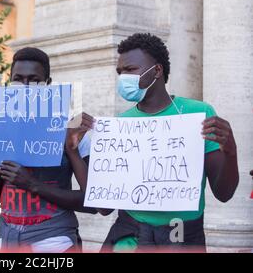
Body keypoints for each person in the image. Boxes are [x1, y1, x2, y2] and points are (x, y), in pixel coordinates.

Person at [87, 33, 239, 252]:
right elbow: (103, 208)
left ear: (157, 70)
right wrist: (75, 150)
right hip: (131, 237)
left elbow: (223, 194)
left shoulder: (199, 114)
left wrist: (230, 151)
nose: (123, 78)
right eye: (119, 72)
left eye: (130, 70)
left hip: (182, 236)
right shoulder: (120, 125)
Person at [0, 47, 95, 253]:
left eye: (34, 80)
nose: (25, 86)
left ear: (47, 84)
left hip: (55, 242)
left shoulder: (70, 128)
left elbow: (95, 203)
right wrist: (1, 153)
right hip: (7, 241)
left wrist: (32, 184)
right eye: (18, 79)